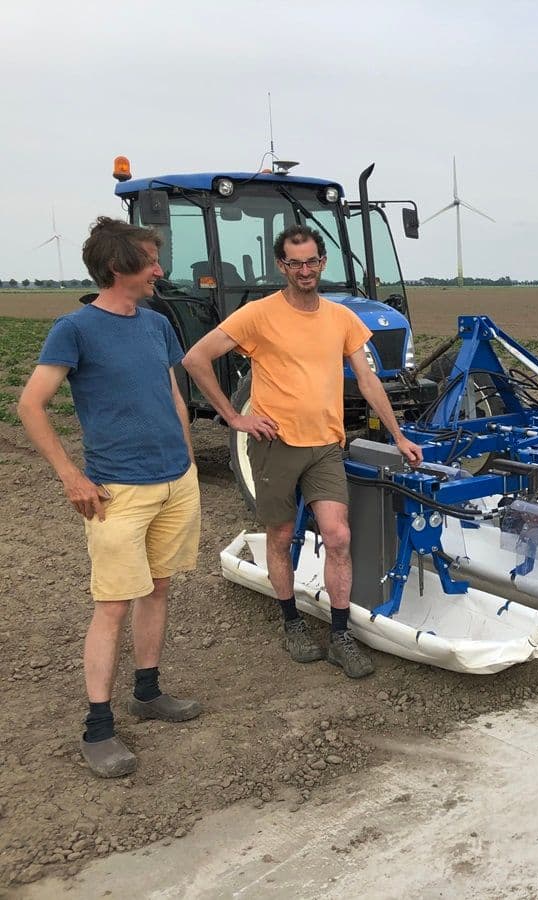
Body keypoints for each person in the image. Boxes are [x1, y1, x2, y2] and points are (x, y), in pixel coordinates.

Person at [183, 225, 422, 679]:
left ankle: (340, 635)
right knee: (280, 535)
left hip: (326, 445)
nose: (305, 270)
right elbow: (196, 359)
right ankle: (291, 621)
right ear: (282, 266)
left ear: (322, 263)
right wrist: (234, 418)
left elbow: (367, 380)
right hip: (276, 445)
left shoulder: (340, 318)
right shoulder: (258, 315)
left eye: (312, 261)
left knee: (338, 536)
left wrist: (398, 436)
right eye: (295, 263)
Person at [18, 217, 202, 778]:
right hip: (118, 490)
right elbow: (30, 405)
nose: (159, 271)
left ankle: (147, 691)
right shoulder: (75, 329)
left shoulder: (156, 324)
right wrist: (71, 476)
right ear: (120, 266)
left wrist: (188, 456)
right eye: (150, 261)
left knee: (159, 587)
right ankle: (97, 728)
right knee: (114, 604)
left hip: (175, 482)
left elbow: (171, 392)